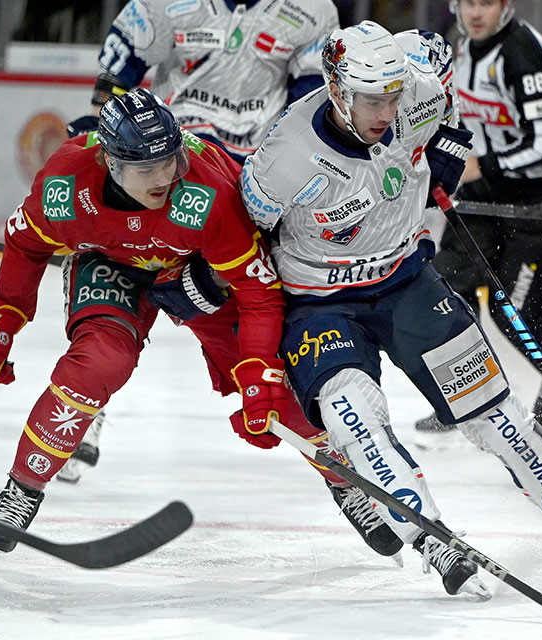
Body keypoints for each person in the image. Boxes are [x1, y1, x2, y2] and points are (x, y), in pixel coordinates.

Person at [239, 21, 542, 597]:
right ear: (338, 90)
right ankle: (432, 539)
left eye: (393, 96)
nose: (386, 110)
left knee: (494, 415)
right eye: (373, 99)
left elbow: (449, 119)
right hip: (321, 307)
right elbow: (246, 238)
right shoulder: (282, 159)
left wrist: (446, 152)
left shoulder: (416, 93)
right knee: (356, 418)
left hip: (407, 282)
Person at [0, 88, 401, 563]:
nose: (163, 176)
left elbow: (257, 295)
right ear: (110, 163)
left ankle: (345, 480)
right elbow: (26, 243)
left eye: (168, 161)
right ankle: (23, 488)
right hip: (113, 263)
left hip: (200, 273)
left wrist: (259, 368)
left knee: (283, 394)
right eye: (145, 168)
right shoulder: (64, 187)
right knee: (97, 362)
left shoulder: (208, 194)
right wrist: (6, 312)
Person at [57, 0, 341, 483]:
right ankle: (86, 406)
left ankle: (335, 464)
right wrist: (105, 140)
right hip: (170, 172)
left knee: (260, 320)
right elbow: (118, 74)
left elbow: (311, 106)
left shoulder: (312, 9)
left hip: (249, 188)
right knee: (113, 298)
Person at [412, 0, 542, 449]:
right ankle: (467, 397)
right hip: (492, 193)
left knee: (512, 309)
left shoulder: (523, 55)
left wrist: (477, 169)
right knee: (446, 291)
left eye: (487, 2)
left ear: (505, 5)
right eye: (468, 2)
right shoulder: (464, 49)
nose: (476, 12)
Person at [86, 0, 340, 163]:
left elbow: (310, 100)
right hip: (167, 146)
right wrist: (103, 134)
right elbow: (115, 73)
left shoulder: (314, 8)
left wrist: (287, 160)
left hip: (254, 159)